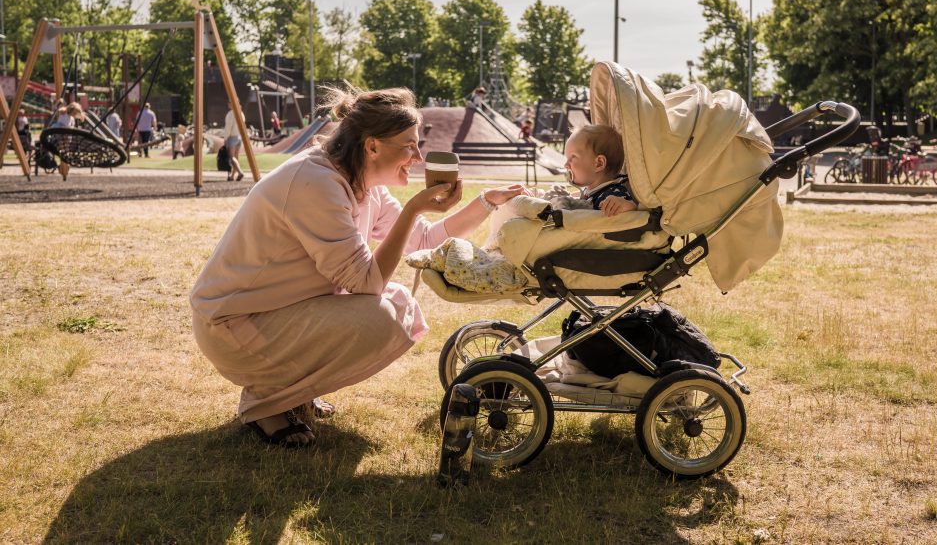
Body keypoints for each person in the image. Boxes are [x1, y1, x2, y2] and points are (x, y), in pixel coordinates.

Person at [191, 87, 525, 446]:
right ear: (372, 146)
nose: (417, 156)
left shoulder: (362, 182)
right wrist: (412, 208)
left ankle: (291, 391)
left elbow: (425, 239)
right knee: (380, 315)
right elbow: (366, 283)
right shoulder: (315, 182)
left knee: (399, 305)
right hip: (233, 326)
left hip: (272, 314)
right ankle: (265, 404)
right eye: (409, 145)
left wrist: (485, 203)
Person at [563, 124, 637, 216]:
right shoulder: (591, 191)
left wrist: (628, 206)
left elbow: (633, 216)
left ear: (599, 163)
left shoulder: (613, 194)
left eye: (573, 157)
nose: (566, 165)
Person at [223, 108, 246, 181]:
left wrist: (226, 138)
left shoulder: (231, 114)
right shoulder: (241, 113)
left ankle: (240, 172)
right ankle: (232, 176)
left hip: (232, 136)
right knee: (236, 157)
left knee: (232, 157)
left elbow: (228, 127)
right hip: (239, 136)